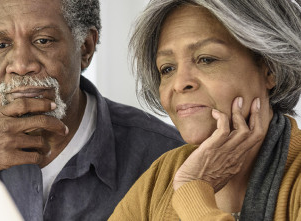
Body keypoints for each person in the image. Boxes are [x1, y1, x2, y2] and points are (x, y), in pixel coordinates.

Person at [0, 0, 185, 220]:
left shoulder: (164, 157)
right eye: (1, 45)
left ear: (86, 47)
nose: (20, 65)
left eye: (43, 40)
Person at [109, 0, 301, 220]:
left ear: (270, 68)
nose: (180, 83)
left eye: (206, 59)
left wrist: (192, 189)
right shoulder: (161, 177)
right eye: (168, 68)